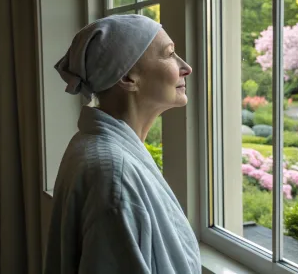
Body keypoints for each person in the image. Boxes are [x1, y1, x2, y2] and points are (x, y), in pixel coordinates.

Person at [43, 15, 201, 274]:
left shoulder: (98, 148)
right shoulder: (114, 176)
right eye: (169, 54)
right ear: (127, 77)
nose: (186, 67)